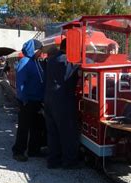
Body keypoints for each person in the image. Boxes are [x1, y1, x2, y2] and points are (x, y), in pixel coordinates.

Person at [44, 39, 80, 169]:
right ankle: (69, 161)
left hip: (49, 98)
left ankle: (53, 161)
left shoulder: (52, 59)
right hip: (63, 100)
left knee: (52, 132)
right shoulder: (68, 61)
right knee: (67, 132)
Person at [12, 39, 46, 162]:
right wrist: (23, 98)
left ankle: (34, 150)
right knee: (24, 127)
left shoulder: (35, 62)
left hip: (36, 100)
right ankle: (18, 151)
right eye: (40, 50)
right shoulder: (25, 62)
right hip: (27, 101)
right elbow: (20, 82)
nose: (41, 52)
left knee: (36, 126)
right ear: (35, 50)